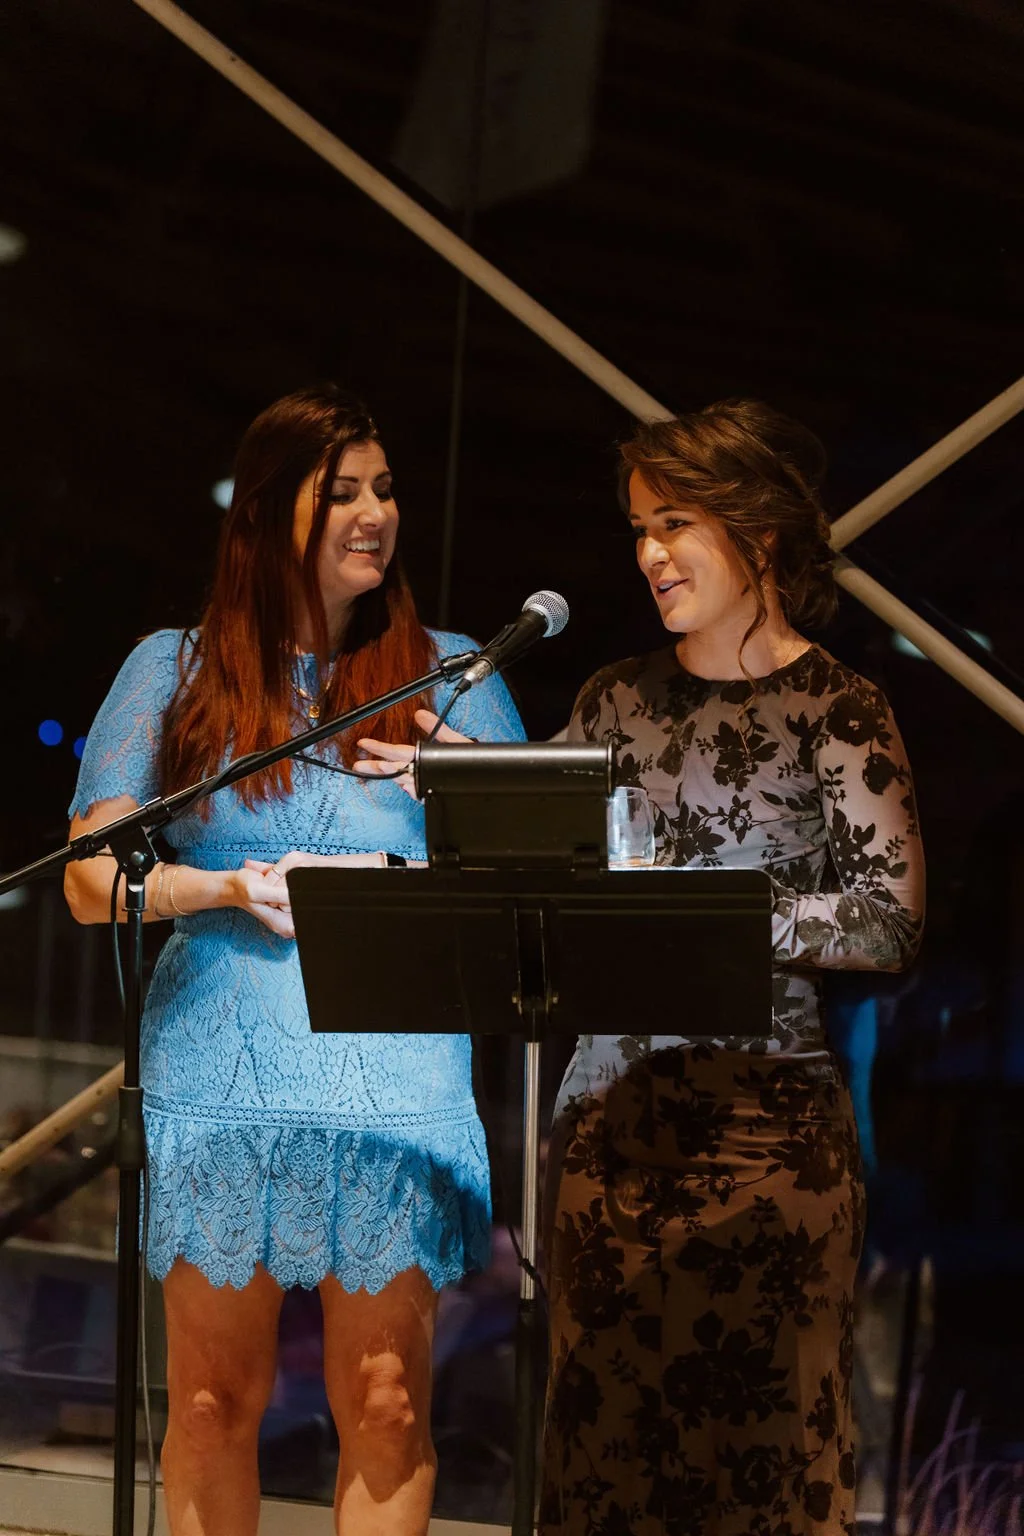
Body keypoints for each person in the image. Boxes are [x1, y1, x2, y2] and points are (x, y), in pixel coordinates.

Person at [63, 384, 525, 1536]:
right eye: (344, 494)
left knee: (382, 1401)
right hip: (220, 1072)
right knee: (216, 1404)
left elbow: (531, 873)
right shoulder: (173, 670)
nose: (376, 513)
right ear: (271, 518)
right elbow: (85, 878)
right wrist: (219, 885)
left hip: (395, 1076)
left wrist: (452, 771)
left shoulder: (453, 672)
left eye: (385, 490)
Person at [539, 400, 925, 1536]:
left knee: (760, 1475)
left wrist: (708, 913)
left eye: (674, 523)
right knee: (601, 1472)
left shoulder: (839, 707)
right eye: (638, 530)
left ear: (756, 532)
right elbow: (549, 881)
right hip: (607, 1141)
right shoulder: (612, 699)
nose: (649, 553)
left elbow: (889, 922)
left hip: (768, 1155)